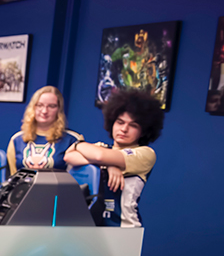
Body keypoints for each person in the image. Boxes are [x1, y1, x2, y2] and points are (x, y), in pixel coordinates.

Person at [63, 88, 163, 227]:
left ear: (143, 131)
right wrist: (109, 165)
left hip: (123, 228)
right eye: (120, 122)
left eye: (133, 125)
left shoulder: (146, 153)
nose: (124, 129)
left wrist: (101, 160)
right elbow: (69, 156)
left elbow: (99, 155)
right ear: (112, 123)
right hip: (93, 226)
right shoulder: (102, 147)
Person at [6, 86, 82, 174]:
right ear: (33, 108)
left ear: (59, 110)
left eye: (51, 106)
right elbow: (12, 176)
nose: (44, 111)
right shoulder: (17, 140)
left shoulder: (72, 140)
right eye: (39, 105)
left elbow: (78, 177)